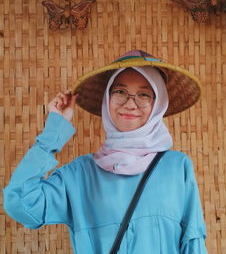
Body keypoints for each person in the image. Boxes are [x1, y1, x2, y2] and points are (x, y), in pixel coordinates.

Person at [3, 50, 208, 254]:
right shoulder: (79, 175)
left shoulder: (176, 166)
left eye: (144, 94)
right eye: (120, 92)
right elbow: (20, 203)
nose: (130, 103)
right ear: (107, 99)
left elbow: (193, 243)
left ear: (158, 103)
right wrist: (54, 131)